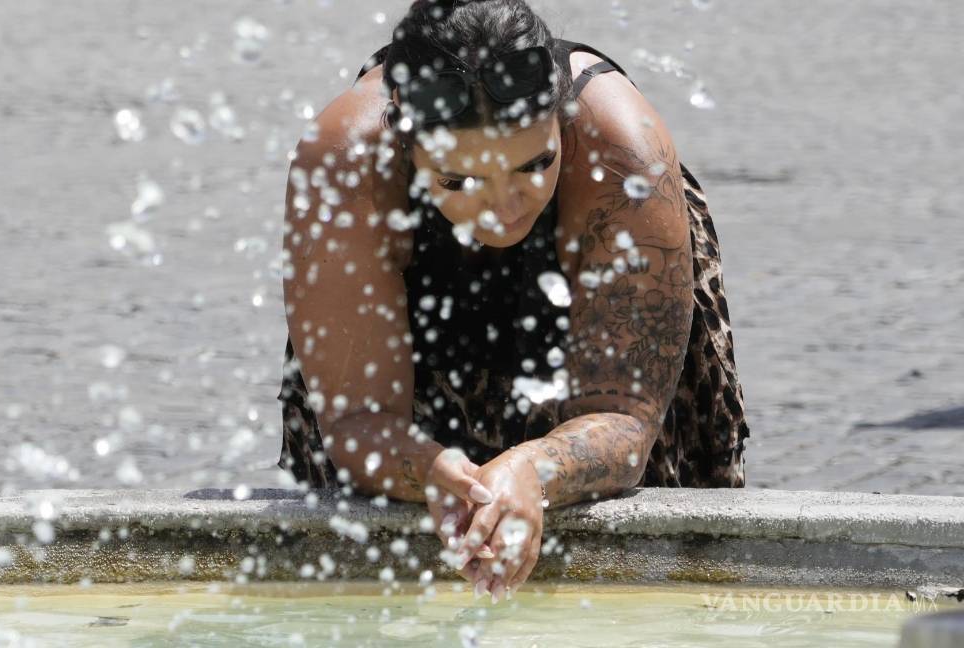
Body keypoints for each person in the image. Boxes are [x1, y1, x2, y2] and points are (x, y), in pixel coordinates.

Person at [276, 0, 749, 601]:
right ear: (404, 139)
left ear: (560, 116)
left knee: (667, 560)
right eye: (459, 180)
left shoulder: (624, 154)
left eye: (535, 164)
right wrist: (433, 472)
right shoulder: (344, 160)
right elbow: (356, 422)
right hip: (401, 287)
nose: (504, 209)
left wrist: (534, 468)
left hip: (605, 260)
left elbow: (627, 420)